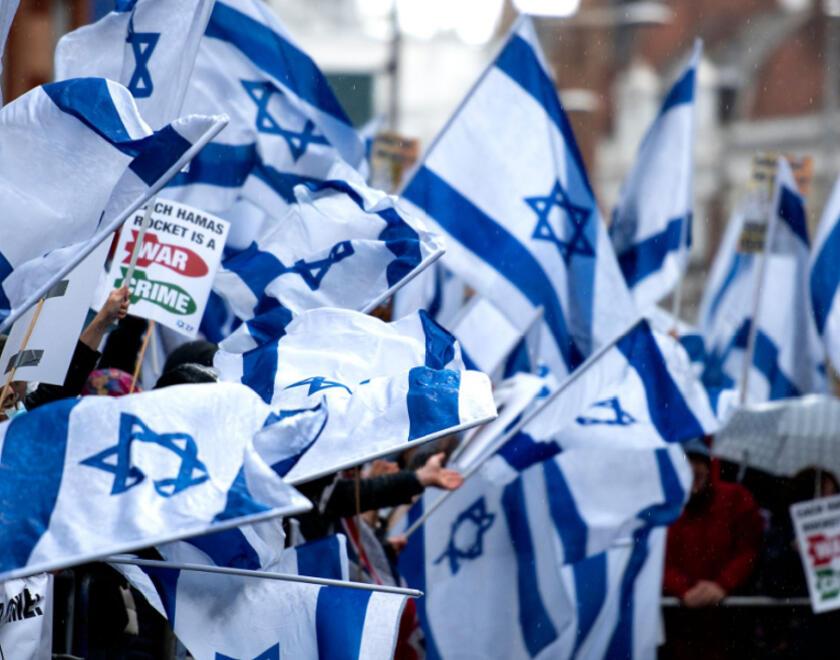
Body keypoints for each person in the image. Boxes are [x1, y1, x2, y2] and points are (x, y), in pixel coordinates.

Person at [661, 439, 764, 660]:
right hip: (681, 625)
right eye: (685, 462)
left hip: (729, 623)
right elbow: (656, 557)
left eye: (697, 461)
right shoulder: (664, 506)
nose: (691, 469)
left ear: (708, 466)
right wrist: (683, 590)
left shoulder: (736, 498)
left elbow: (750, 549)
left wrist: (723, 584)